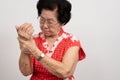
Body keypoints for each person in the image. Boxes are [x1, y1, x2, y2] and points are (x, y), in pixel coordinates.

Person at [16, 0, 86, 80]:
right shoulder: (34, 40)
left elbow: (65, 72)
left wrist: (35, 51)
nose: (45, 26)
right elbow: (26, 72)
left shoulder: (72, 41)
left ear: (62, 22)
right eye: (42, 20)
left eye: (50, 22)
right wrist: (24, 44)